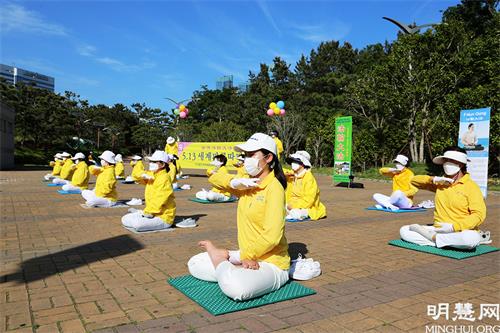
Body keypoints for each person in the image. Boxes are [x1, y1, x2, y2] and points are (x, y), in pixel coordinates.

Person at [188, 133, 290, 301]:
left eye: (252, 155)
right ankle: (227, 260)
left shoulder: (274, 188)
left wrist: (246, 256)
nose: (247, 159)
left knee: (237, 289)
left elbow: (272, 237)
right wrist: (234, 182)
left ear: (269, 157)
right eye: (246, 155)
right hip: (246, 255)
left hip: (271, 262)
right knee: (195, 263)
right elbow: (214, 178)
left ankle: (222, 260)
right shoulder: (248, 184)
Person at [400, 147, 488, 249]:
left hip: (461, 231)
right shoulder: (440, 183)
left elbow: (479, 215)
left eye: (451, 161)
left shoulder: (471, 187)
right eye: (445, 161)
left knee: (471, 238)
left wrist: (453, 227)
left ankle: (434, 239)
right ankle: (440, 240)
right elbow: (413, 181)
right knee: (404, 230)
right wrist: (433, 179)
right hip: (438, 230)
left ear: (461, 164)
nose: (447, 164)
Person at [122, 151, 177, 231]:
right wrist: (142, 175)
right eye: (151, 161)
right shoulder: (153, 174)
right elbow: (135, 177)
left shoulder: (164, 178)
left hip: (163, 217)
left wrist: (147, 212)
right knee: (124, 219)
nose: (151, 163)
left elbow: (160, 200)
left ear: (163, 164)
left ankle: (141, 214)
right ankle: (141, 214)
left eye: (154, 162)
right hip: (151, 213)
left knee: (137, 224)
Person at [285, 150, 326, 221]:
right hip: (289, 204)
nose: (293, 164)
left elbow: (309, 200)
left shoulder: (309, 178)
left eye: (296, 162)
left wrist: (293, 206)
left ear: (303, 164)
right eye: (292, 161)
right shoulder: (292, 176)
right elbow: (280, 171)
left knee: (296, 214)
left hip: (304, 207)